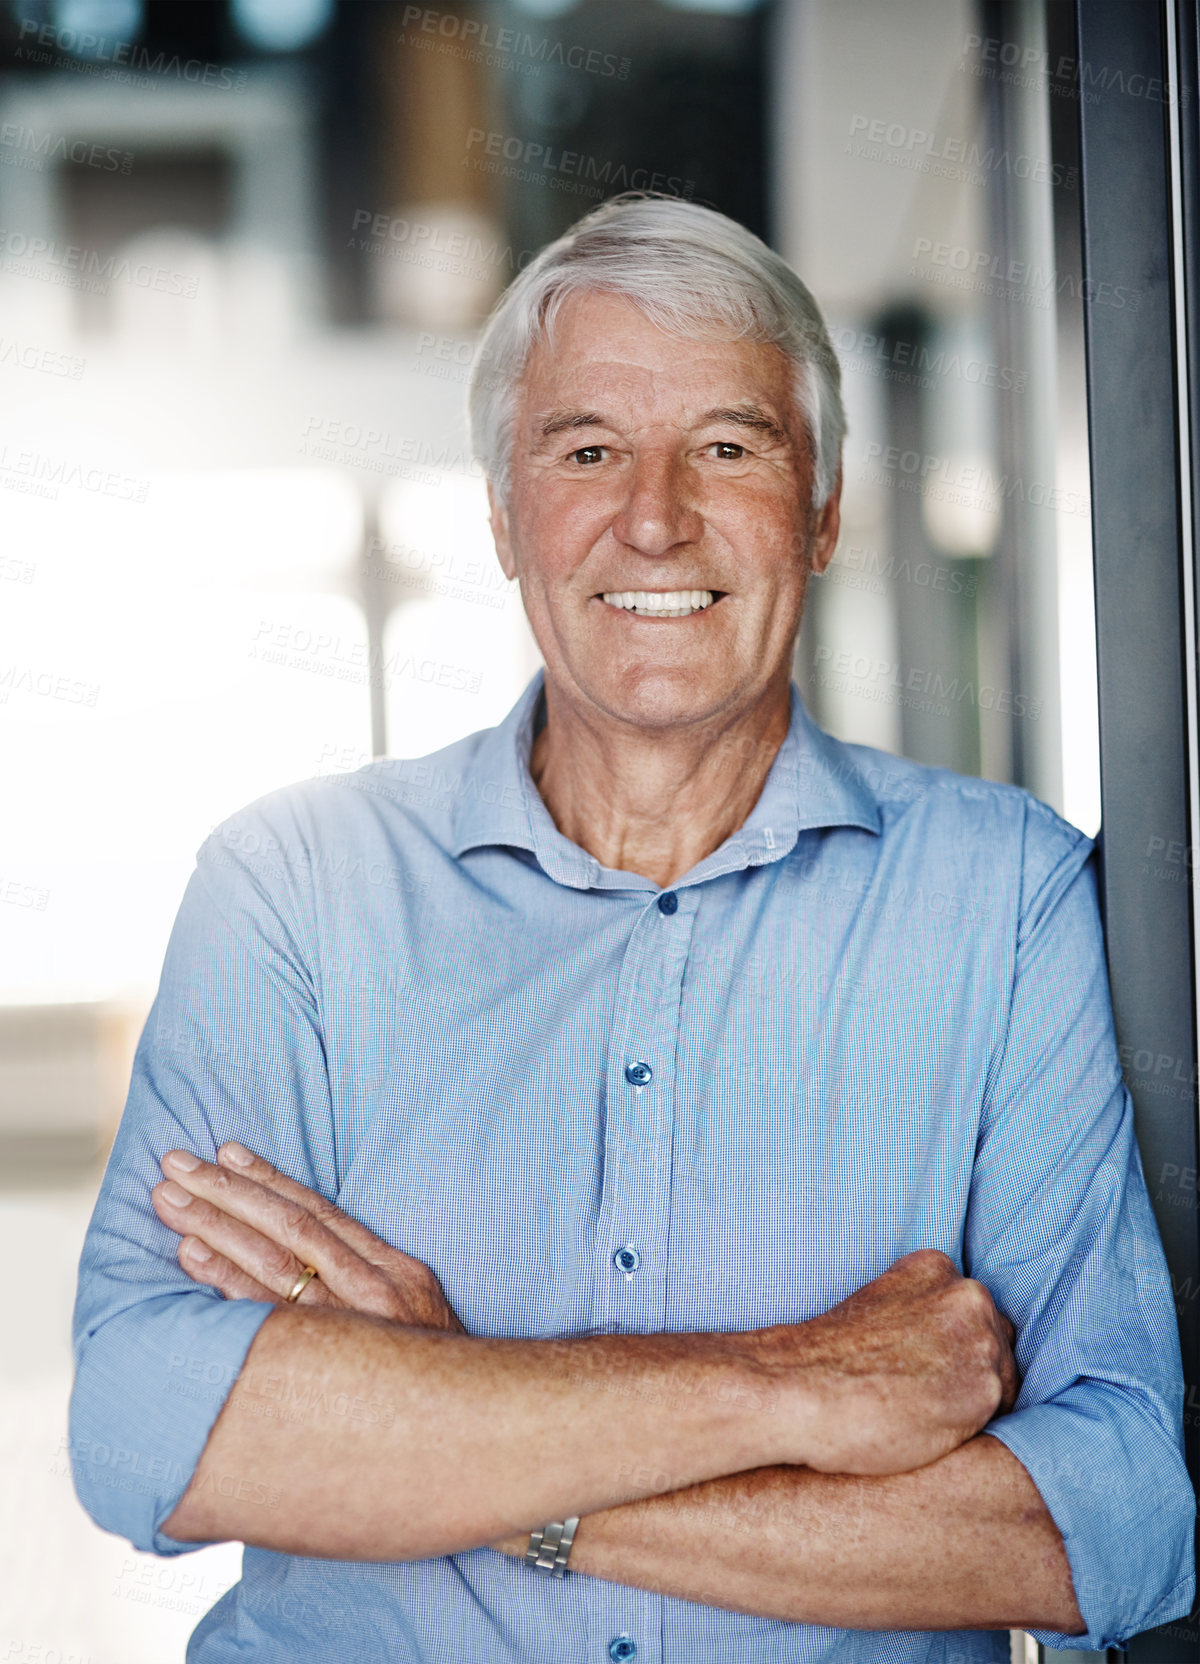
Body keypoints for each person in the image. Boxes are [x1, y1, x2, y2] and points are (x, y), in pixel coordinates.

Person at [70, 195, 1193, 1664]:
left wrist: (453, 1423)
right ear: (502, 517)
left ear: (827, 509)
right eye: (587, 449)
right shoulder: (292, 885)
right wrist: (790, 1388)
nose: (654, 514)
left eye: (729, 446)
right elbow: (156, 1429)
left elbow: (1107, 1521)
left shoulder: (1006, 900)